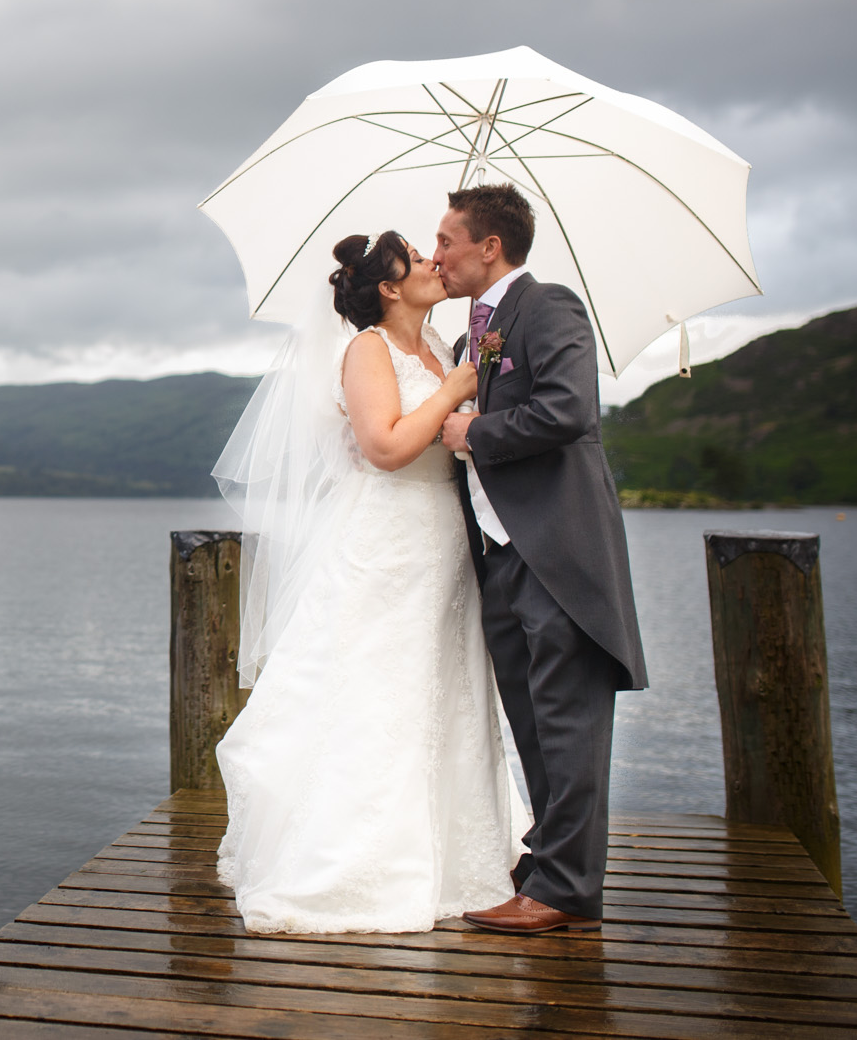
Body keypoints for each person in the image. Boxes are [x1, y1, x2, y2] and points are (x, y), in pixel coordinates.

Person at [211, 230, 530, 934]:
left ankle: (456, 855)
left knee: (441, 688)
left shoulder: (440, 344)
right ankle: (357, 862)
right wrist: (453, 389)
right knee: (377, 689)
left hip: (444, 542)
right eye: (416, 260)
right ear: (388, 288)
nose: (432, 263)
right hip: (386, 541)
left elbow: (445, 438)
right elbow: (385, 446)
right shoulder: (367, 350)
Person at [435, 182, 647, 935]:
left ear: (489, 246)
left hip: (557, 551)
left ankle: (565, 889)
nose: (438, 256)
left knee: (568, 723)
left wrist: (474, 433)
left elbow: (568, 410)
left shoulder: (549, 306)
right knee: (533, 721)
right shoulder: (471, 338)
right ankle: (546, 864)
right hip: (499, 555)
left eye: (447, 240)